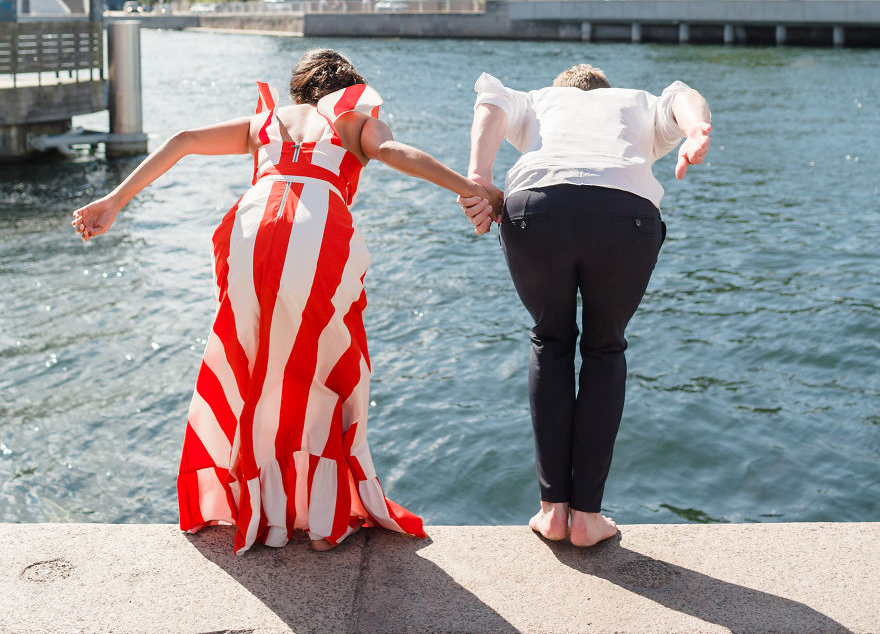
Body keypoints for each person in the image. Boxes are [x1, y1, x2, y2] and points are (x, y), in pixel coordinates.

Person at [72, 47, 501, 554]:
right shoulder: (353, 118)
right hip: (316, 232)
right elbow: (392, 152)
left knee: (255, 365)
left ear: (299, 87)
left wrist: (114, 201)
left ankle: (262, 510)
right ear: (349, 87)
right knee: (328, 368)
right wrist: (474, 190)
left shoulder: (269, 120)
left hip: (249, 230)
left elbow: (183, 140)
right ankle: (321, 521)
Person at [458, 63, 711, 548]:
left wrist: (479, 177)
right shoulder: (635, 102)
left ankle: (553, 512)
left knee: (550, 340)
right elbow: (682, 95)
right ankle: (587, 518)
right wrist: (697, 127)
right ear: (604, 89)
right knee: (604, 349)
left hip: (537, 208)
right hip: (625, 213)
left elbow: (492, 98)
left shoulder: (538, 99)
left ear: (564, 89)